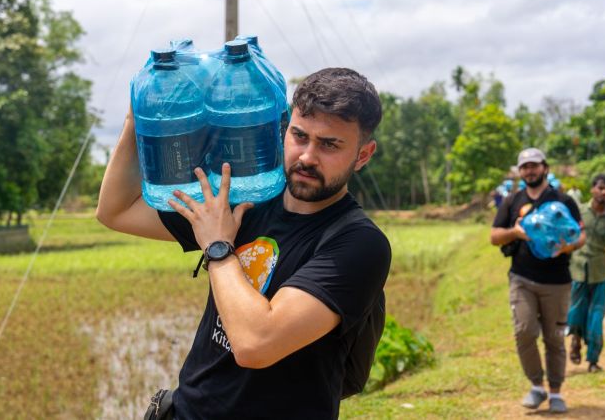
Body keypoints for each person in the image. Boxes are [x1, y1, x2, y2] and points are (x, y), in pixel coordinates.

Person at [96, 67, 391, 419]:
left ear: (363, 154)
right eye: (299, 136)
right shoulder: (249, 198)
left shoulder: (358, 243)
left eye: (329, 145)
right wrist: (135, 118)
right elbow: (117, 211)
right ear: (284, 129)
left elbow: (255, 344)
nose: (307, 157)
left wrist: (219, 247)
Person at [490, 148, 586, 414]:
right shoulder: (512, 201)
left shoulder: (563, 200)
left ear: (544, 167)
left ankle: (555, 391)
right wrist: (516, 232)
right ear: (520, 172)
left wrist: (568, 247)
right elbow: (494, 236)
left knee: (555, 338)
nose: (529, 171)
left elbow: (580, 235)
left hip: (558, 281)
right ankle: (536, 386)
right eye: (525, 167)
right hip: (522, 278)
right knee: (524, 332)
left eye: (534, 165)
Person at [567, 173, 605, 373]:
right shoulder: (578, 212)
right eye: (600, 188)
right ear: (592, 189)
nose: (603, 192)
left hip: (599, 274)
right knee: (576, 312)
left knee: (596, 317)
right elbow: (567, 236)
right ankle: (575, 339)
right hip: (576, 270)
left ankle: (593, 360)